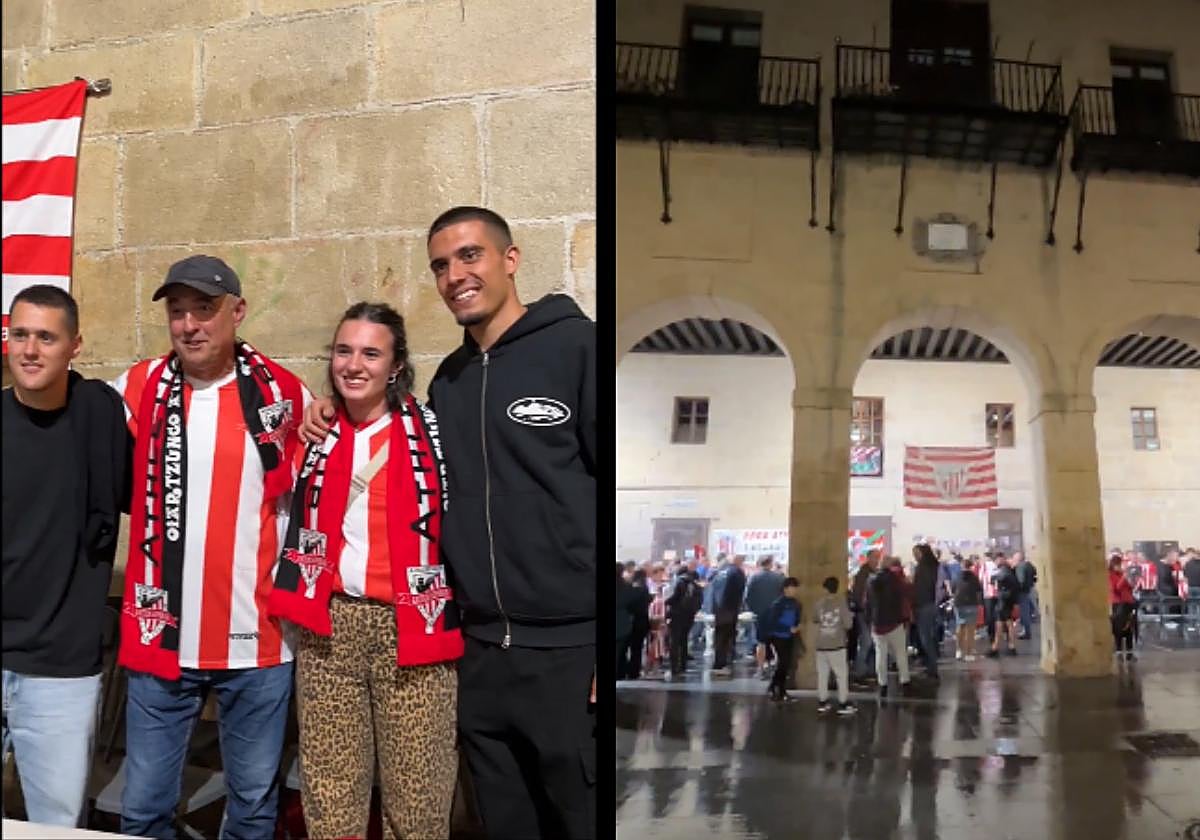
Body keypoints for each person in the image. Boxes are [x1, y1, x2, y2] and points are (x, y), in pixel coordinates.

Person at [303, 207, 596, 839]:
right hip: (480, 648)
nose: (455, 275)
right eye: (441, 265)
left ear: (510, 259)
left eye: (470, 255)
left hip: (566, 647)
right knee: (503, 820)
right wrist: (331, 406)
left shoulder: (577, 348)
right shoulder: (451, 384)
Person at [111, 255, 310, 838]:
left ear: (237, 311)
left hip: (257, 643)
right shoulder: (137, 386)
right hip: (161, 638)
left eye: (205, 309)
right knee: (142, 810)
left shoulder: (283, 394)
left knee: (251, 810)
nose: (190, 325)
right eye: (178, 312)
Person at [265, 302, 461, 838]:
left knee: (418, 799)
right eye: (343, 351)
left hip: (411, 628)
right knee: (330, 796)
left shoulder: (433, 432)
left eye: (371, 354)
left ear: (396, 366)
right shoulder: (314, 434)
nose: (354, 365)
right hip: (330, 628)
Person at [2, 286, 132, 828]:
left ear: (75, 346)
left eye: (46, 337)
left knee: (56, 829)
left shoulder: (99, 415)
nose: (30, 350)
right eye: (20, 335)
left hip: (61, 672)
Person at [867, 557, 912, 698]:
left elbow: (867, 602)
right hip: (894, 622)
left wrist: (870, 620)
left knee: (880, 655)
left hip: (877, 623)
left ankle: (882, 685)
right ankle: (905, 682)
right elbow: (904, 596)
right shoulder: (896, 580)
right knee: (900, 653)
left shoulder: (871, 580)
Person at [813, 577, 855, 715]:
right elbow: (848, 624)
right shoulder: (841, 603)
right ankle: (843, 703)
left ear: (825, 588)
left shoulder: (818, 603)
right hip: (837, 645)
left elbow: (815, 619)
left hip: (821, 644)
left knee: (822, 675)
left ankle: (822, 702)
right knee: (841, 675)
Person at [763, 577, 803, 702]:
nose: (794, 591)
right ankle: (778, 689)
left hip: (789, 637)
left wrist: (797, 627)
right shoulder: (778, 604)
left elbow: (796, 619)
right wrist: (788, 628)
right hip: (778, 636)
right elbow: (772, 622)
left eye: (795, 588)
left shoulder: (796, 604)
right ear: (785, 589)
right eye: (792, 588)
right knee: (783, 663)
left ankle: (777, 688)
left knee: (786, 664)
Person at [745, 556, 785, 679]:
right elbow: (783, 595)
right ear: (770, 564)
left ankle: (760, 669)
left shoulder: (753, 577)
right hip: (776, 614)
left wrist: (753, 610)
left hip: (760, 615)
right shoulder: (778, 578)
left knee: (761, 643)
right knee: (776, 643)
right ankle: (778, 669)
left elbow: (747, 597)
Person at [710, 555, 747, 676]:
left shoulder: (720, 572)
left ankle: (718, 663)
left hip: (718, 609)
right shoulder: (737, 573)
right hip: (730, 609)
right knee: (727, 637)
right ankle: (723, 663)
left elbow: (712, 590)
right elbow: (741, 590)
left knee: (719, 636)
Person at [911, 544, 942, 680]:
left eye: (916, 553)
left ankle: (932, 668)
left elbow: (919, 589)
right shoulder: (933, 567)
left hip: (923, 605)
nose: (914, 556)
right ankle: (931, 666)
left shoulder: (922, 568)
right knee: (929, 637)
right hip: (930, 604)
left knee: (925, 638)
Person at [664, 567, 702, 679]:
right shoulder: (695, 584)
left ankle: (674, 667)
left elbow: (673, 597)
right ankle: (683, 665)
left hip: (676, 614)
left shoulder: (678, 582)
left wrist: (665, 602)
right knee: (684, 639)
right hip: (689, 616)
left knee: (674, 641)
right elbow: (700, 600)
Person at [850, 551, 879, 684]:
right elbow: (859, 595)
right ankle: (860, 671)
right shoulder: (863, 575)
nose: (876, 560)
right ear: (868, 558)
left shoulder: (874, 574)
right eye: (874, 557)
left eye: (878, 558)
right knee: (867, 642)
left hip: (872, 614)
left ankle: (871, 671)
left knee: (873, 643)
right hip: (865, 613)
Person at [988, 555, 1021, 658]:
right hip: (1009, 600)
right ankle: (1010, 646)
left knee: (999, 624)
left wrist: (993, 579)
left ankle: (996, 648)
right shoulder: (1012, 573)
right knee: (1008, 623)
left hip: (1003, 601)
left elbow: (995, 579)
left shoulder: (1004, 572)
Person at [622, 569, 652, 679]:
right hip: (642, 621)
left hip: (631, 621)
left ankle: (624, 670)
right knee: (637, 649)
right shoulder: (645, 589)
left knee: (625, 648)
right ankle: (634, 671)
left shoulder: (632, 588)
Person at [952, 559, 984, 661]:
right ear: (970, 567)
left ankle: (958, 650)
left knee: (960, 626)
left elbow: (953, 589)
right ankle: (968, 653)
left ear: (961, 566)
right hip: (971, 603)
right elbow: (979, 590)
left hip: (959, 603)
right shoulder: (974, 577)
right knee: (970, 630)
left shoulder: (956, 576)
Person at [1108, 555, 1138, 661]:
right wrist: (1124, 578)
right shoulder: (1110, 575)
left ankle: (1130, 652)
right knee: (1118, 629)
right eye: (1118, 565)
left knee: (1129, 628)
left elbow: (1129, 587)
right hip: (1118, 603)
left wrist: (1131, 580)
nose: (1120, 567)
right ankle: (1119, 651)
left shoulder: (1122, 574)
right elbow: (1117, 588)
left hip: (1128, 603)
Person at [1013, 551, 1037, 639]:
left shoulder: (1020, 567)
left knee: (1024, 613)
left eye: (1014, 558)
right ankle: (1026, 631)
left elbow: (1021, 580)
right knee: (1027, 611)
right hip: (1028, 590)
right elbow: (1034, 573)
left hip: (1022, 592)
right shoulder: (1028, 565)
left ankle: (1026, 632)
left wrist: (1016, 589)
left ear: (1018, 559)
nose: (1013, 560)